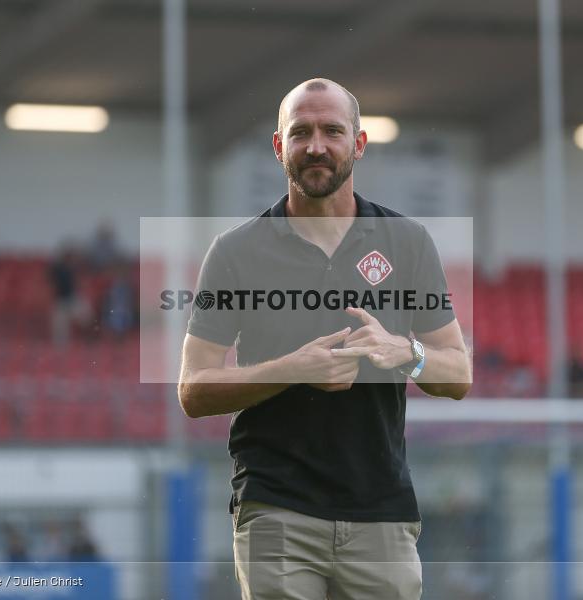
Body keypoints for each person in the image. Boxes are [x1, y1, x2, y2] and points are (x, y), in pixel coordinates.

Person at [178, 78, 472, 600]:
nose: (316, 146)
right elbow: (193, 389)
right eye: (301, 133)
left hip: (381, 511)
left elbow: (458, 374)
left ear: (358, 143)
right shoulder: (234, 252)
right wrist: (293, 369)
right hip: (276, 508)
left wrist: (405, 352)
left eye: (332, 131)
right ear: (279, 146)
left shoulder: (408, 242)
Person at [49, 243, 92, 346]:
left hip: (72, 299)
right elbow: (51, 279)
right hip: (61, 300)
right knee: (60, 326)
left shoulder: (74, 268)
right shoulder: (58, 268)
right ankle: (61, 347)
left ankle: (90, 339)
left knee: (87, 317)